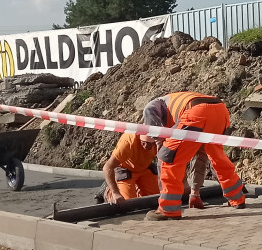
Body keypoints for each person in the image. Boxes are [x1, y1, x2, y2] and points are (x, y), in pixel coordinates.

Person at [143, 91, 247, 221]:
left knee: (168, 160)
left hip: (197, 112)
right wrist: (194, 193)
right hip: (221, 110)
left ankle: (168, 209)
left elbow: (159, 137)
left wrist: (162, 148)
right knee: (217, 156)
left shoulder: (152, 106)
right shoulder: (175, 104)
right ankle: (237, 197)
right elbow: (199, 155)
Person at [101, 131, 160, 204]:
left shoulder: (160, 141)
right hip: (126, 170)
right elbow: (108, 167)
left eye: (151, 144)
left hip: (145, 168)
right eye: (144, 142)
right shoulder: (128, 142)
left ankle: (136, 190)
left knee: (155, 198)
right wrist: (115, 193)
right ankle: (109, 192)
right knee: (126, 202)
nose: (147, 146)